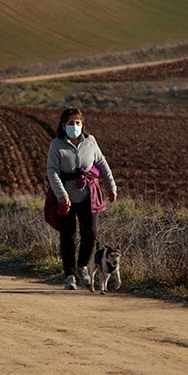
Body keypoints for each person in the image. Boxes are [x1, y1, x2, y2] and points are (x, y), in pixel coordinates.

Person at [46, 107, 118, 290]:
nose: (75, 126)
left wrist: (111, 187)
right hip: (66, 197)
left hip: (88, 194)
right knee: (68, 235)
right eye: (71, 123)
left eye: (78, 123)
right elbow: (52, 171)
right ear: (63, 125)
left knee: (90, 233)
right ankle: (69, 274)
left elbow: (102, 164)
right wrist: (61, 195)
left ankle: (82, 267)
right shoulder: (57, 145)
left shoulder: (90, 142)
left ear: (82, 124)